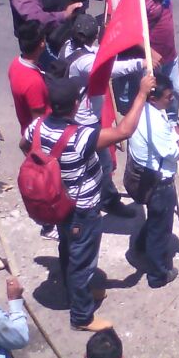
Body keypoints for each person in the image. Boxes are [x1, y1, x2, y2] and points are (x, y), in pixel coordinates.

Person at [23, 73, 154, 332]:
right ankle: (82, 316)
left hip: (57, 204)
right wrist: (141, 93)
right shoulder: (80, 137)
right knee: (82, 261)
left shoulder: (36, 127)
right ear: (74, 105)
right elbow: (123, 131)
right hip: (81, 209)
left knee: (67, 248)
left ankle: (72, 289)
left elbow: (24, 146)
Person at [62, 12, 144, 219]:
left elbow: (102, 54)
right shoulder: (86, 62)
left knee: (90, 163)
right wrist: (139, 63)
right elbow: (110, 69)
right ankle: (107, 201)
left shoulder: (70, 48)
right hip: (85, 121)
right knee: (103, 163)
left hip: (78, 117)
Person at [128, 72, 179, 289]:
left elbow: (170, 131)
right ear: (154, 98)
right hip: (159, 184)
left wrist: (178, 137)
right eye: (168, 97)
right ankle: (157, 275)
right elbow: (170, 152)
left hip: (147, 179)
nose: (171, 100)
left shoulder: (149, 110)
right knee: (161, 230)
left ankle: (140, 245)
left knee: (155, 221)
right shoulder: (153, 122)